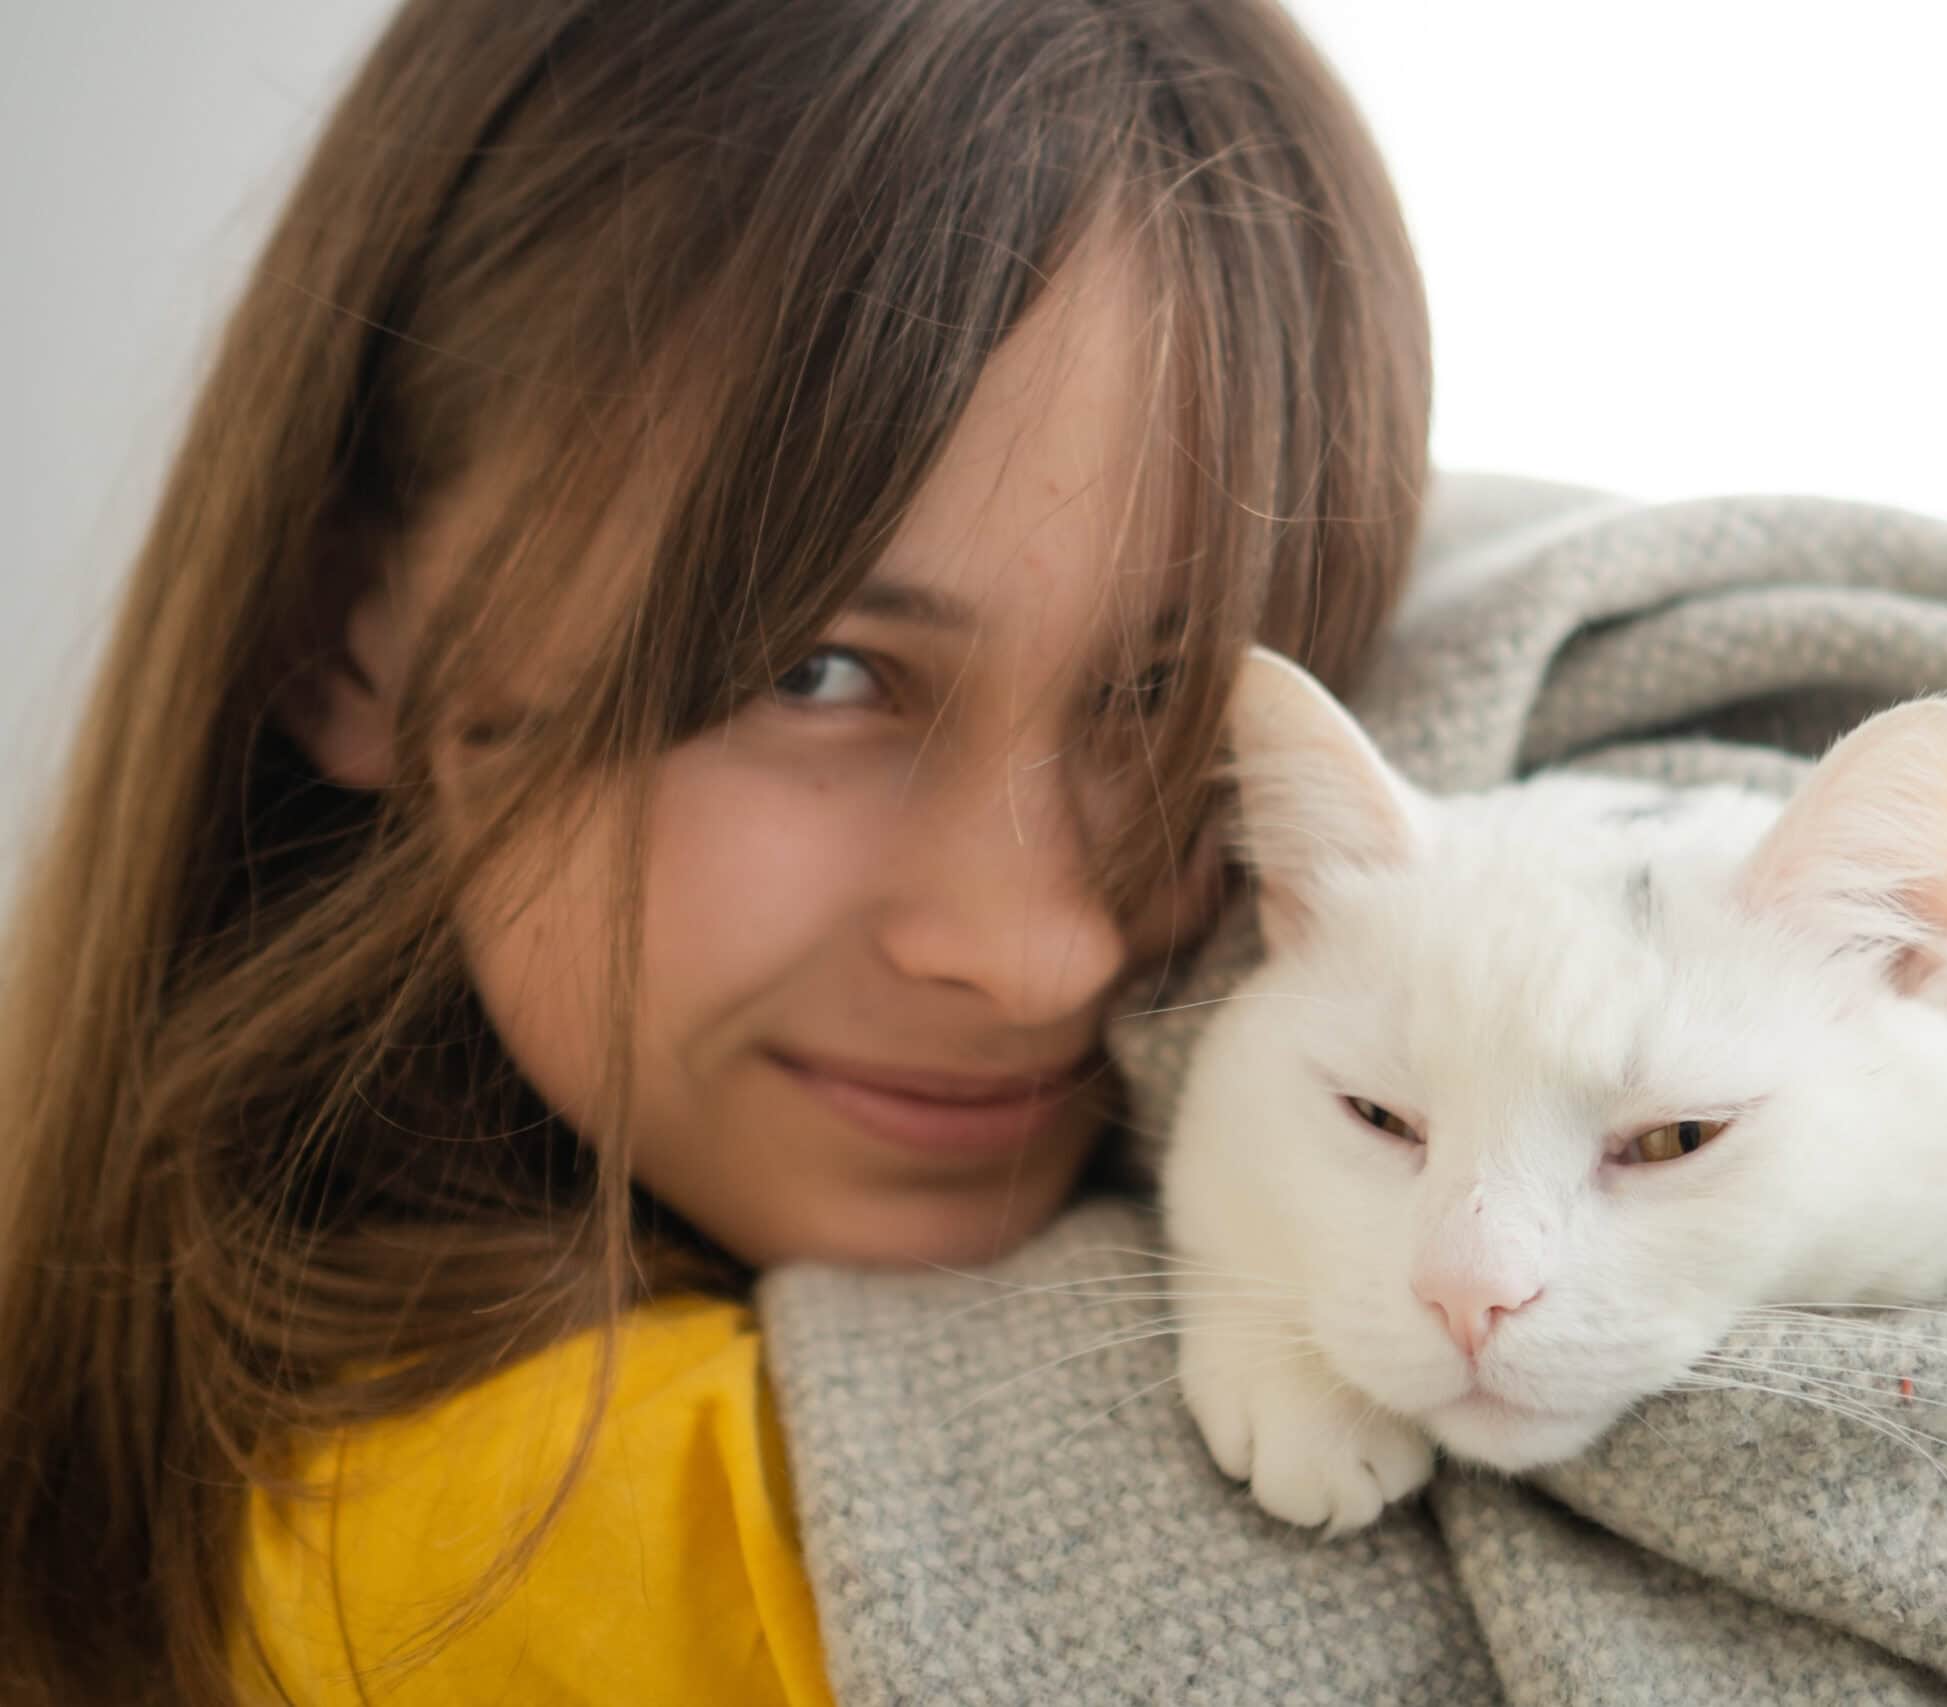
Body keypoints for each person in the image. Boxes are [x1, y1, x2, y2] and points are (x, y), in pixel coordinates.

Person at [0, 2, 1429, 1701]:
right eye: (816, 674)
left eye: (1161, 692)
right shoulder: (507, 1536)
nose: (1043, 948)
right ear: (346, 628)